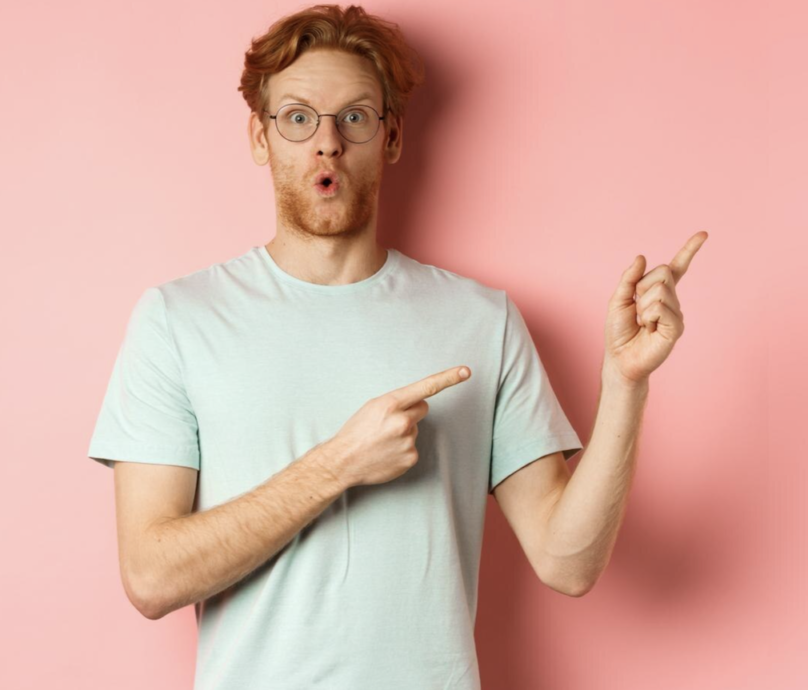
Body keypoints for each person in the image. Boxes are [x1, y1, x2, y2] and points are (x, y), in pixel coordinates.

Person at [88, 4, 705, 689]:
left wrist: (625, 385)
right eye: (298, 118)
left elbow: (569, 563)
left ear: (391, 138)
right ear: (260, 137)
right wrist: (339, 465)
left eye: (354, 117)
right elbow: (149, 577)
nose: (326, 143)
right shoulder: (179, 320)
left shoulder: (482, 320)